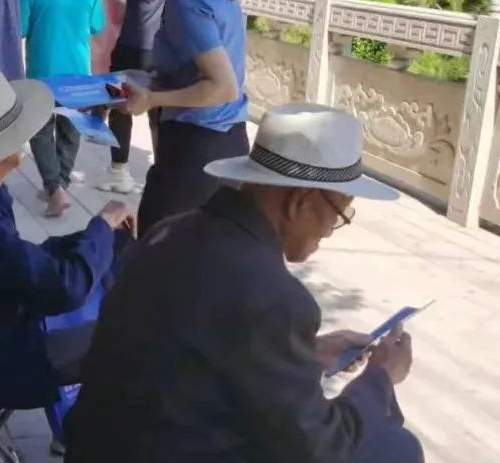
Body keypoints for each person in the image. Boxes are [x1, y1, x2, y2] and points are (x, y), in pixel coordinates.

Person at [65, 104, 423, 463]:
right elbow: (320, 449)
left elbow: (199, 358)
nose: (331, 230)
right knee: (396, 448)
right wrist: (380, 378)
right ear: (301, 201)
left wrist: (306, 355)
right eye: (340, 213)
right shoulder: (276, 299)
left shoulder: (170, 231)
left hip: (98, 447)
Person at [0, 64, 135, 433]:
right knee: (130, 335)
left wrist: (93, 235)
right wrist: (101, 226)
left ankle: (79, 429)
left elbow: (20, 262)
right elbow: (63, 288)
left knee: (111, 266)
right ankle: (92, 437)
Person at [116, 0, 249, 231]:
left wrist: (152, 99)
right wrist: (151, 83)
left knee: (157, 250)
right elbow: (196, 72)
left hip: (198, 151)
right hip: (228, 143)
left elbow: (223, 87)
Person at [19, 0, 104, 218]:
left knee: (40, 129)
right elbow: (97, 25)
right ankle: (61, 183)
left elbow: (20, 27)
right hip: (78, 71)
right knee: (70, 130)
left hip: (41, 70)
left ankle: (54, 187)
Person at [93, 0, 170, 195]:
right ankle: (164, 172)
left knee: (121, 105)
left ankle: (118, 171)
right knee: (159, 110)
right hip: (166, 44)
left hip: (134, 41)